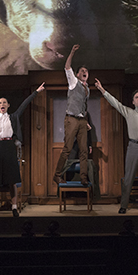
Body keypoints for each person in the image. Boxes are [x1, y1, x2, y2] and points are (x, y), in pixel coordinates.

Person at [95, 79, 138, 215]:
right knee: (129, 176)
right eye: (136, 97)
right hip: (133, 146)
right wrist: (102, 90)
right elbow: (115, 103)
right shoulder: (129, 112)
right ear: (133, 101)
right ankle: (124, 205)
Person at [0, 83, 46, 217]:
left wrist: (36, 92)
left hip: (9, 147)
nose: (2, 104)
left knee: (12, 180)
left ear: (8, 105)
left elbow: (24, 104)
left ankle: (13, 207)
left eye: (4, 102)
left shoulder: (13, 117)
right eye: (0, 103)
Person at [53, 44, 90, 186]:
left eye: (86, 71)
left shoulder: (87, 88)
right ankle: (57, 175)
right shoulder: (74, 82)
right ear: (78, 74)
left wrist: (85, 120)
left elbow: (84, 106)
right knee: (68, 148)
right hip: (71, 119)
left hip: (81, 120)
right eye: (82, 70)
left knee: (84, 151)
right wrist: (72, 52)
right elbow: (67, 67)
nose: (85, 72)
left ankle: (84, 178)